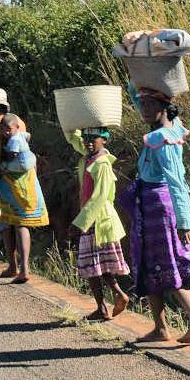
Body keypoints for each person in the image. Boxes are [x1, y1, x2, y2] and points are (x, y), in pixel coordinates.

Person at [117, 83, 190, 344]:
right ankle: (160, 327)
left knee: (167, 265)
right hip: (149, 206)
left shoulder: (164, 139)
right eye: (142, 105)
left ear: (164, 107)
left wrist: (184, 222)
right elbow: (142, 98)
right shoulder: (169, 127)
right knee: (148, 265)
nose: (143, 110)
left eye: (149, 105)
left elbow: (177, 181)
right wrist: (137, 75)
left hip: (158, 208)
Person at [66, 126, 131, 321]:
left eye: (94, 138)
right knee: (95, 266)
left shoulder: (101, 163)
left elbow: (100, 196)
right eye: (86, 138)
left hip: (98, 220)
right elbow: (73, 137)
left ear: (104, 140)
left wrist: (80, 222)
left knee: (94, 266)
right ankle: (106, 304)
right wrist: (74, 121)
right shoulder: (89, 156)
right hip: (91, 220)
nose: (88, 142)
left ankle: (112, 299)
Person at [0, 87, 35, 281]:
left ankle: (16, 267)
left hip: (5, 181)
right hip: (25, 180)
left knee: (8, 222)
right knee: (19, 222)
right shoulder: (18, 121)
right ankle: (20, 268)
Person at [0, 113, 49, 283]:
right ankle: (15, 267)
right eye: (3, 130)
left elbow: (11, 156)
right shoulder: (20, 135)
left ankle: (23, 268)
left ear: (16, 128)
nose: (5, 133)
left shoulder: (14, 141)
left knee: (20, 224)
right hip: (16, 185)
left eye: (8, 130)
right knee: (13, 224)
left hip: (21, 182)